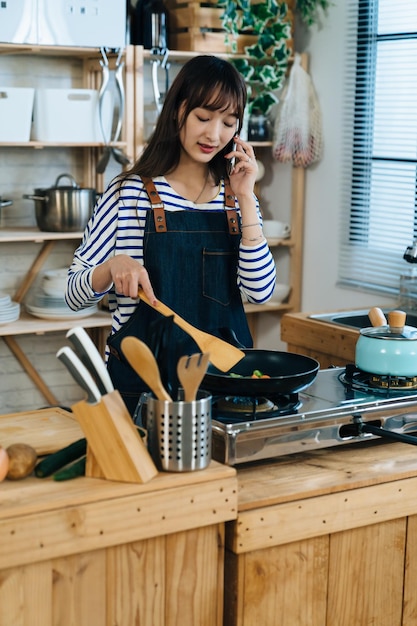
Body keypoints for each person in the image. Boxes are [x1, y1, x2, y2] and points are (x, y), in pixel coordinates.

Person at [66, 54, 276, 415]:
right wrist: (111, 267)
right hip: (140, 386)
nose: (214, 134)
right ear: (178, 111)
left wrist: (245, 197)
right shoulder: (127, 193)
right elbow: (72, 295)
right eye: (203, 117)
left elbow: (260, 292)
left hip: (222, 386)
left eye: (228, 123)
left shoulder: (238, 198)